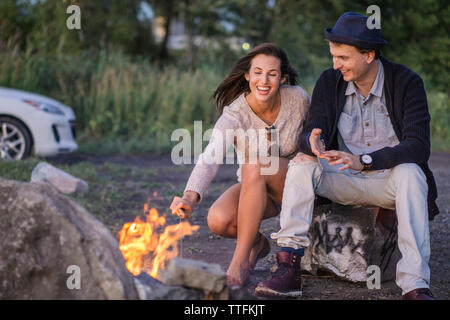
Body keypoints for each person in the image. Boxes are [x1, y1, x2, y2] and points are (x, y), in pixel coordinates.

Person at [255, 12, 439, 300]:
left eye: (343, 57)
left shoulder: (406, 82)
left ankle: (414, 283)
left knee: (412, 172)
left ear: (369, 54)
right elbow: (310, 133)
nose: (335, 64)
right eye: (333, 56)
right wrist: (312, 140)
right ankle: (288, 265)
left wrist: (365, 161)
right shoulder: (330, 82)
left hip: (388, 181)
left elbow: (418, 146)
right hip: (345, 178)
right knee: (303, 164)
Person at [170, 43, 311, 287]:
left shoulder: (297, 99)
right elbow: (210, 157)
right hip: (257, 188)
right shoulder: (234, 115)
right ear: (247, 76)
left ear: (283, 77)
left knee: (256, 165)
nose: (263, 81)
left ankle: (238, 263)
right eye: (257, 72)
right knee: (218, 219)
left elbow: (319, 135)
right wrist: (189, 197)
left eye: (272, 74)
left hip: (297, 181)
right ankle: (257, 244)